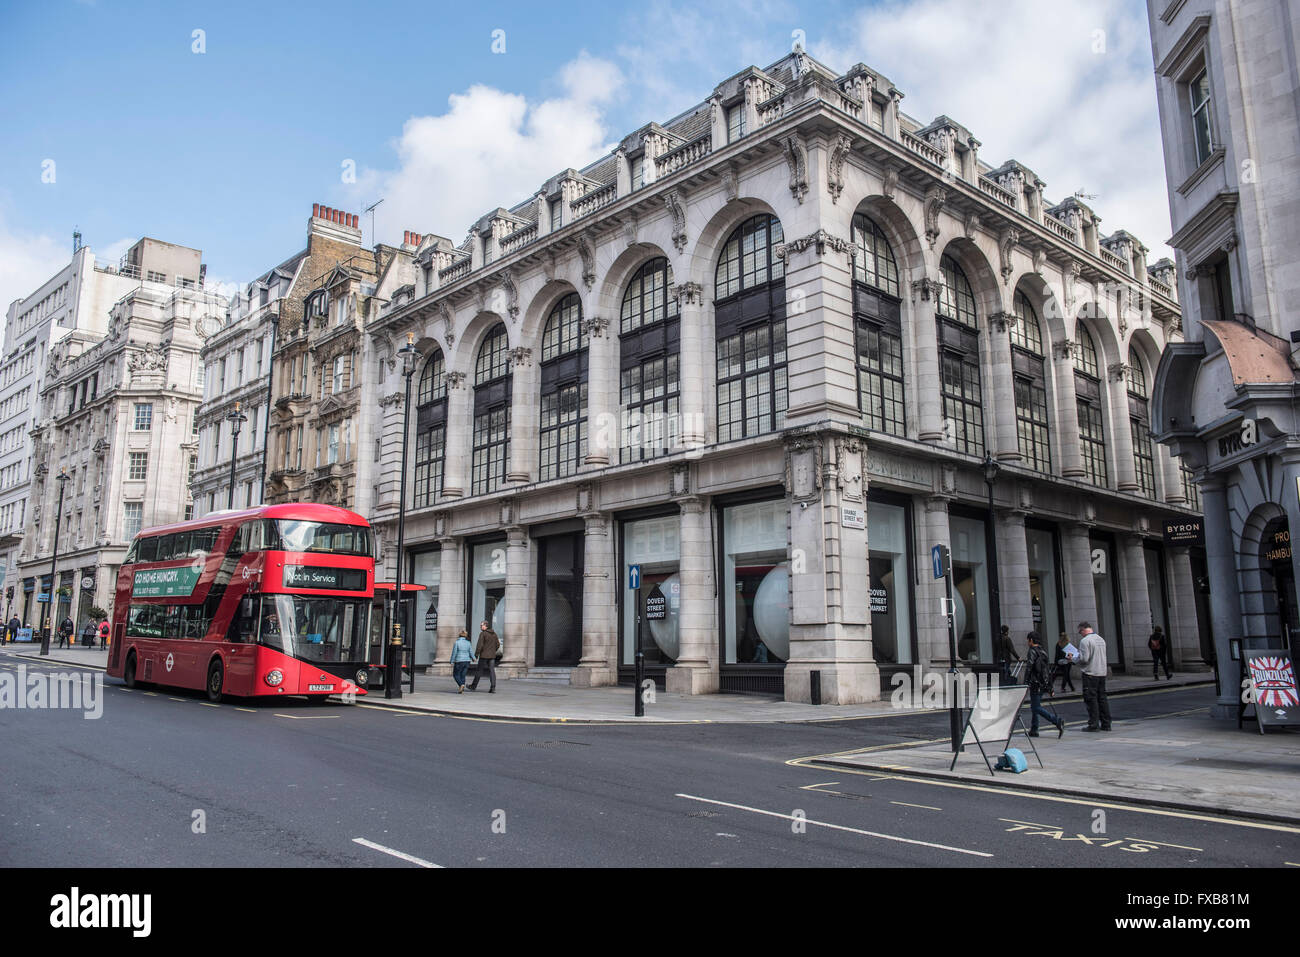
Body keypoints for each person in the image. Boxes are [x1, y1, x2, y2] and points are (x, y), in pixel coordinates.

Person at [1024, 631, 1064, 738]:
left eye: (1028, 640)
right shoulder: (1043, 651)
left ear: (1031, 640)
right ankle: (1034, 729)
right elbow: (1047, 670)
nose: (1027, 642)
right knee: (1035, 705)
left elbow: (1029, 667)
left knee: (1036, 707)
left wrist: (1025, 683)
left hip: (1035, 683)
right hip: (1043, 683)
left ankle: (1056, 721)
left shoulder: (1032, 651)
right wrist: (1050, 687)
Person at [1075, 621, 1111, 731]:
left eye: (1080, 632)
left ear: (1083, 630)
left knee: (1091, 699)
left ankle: (1093, 724)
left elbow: (1084, 659)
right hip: (1101, 673)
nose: (1080, 634)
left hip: (1090, 673)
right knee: (1102, 699)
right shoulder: (1101, 639)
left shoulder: (1085, 641)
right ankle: (1106, 724)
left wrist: (1073, 658)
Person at [468, 620, 499, 693]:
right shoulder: (494, 634)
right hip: (492, 656)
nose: (480, 627)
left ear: (486, 626)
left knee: (479, 671)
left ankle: (473, 686)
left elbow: (479, 646)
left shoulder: (483, 634)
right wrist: (493, 651)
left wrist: (476, 655)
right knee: (492, 671)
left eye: (482, 625)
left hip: (484, 655)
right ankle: (493, 687)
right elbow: (497, 644)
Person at [450, 629, 474, 693]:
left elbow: (454, 652)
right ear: (465, 635)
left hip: (459, 661)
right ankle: (462, 689)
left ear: (459, 635)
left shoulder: (457, 642)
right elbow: (471, 651)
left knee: (456, 675)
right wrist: (473, 658)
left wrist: (452, 661)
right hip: (467, 661)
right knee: (463, 675)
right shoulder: (468, 643)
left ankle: (461, 685)